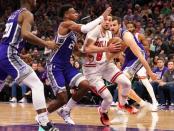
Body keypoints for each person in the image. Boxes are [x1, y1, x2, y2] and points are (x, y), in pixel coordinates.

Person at [46, 4, 113, 125]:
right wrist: (103, 15)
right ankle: (42, 116)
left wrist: (85, 54)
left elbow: (76, 51)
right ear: (66, 14)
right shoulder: (65, 24)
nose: (77, 14)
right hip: (55, 65)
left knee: (85, 85)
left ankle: (65, 111)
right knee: (62, 99)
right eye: (74, 12)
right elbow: (86, 28)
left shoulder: (72, 33)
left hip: (66, 66)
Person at [0, 0, 58, 130]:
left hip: (3, 53)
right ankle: (44, 122)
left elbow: (9, 39)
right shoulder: (28, 14)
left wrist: (20, 55)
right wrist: (46, 43)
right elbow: (25, 34)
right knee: (37, 85)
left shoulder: (14, 14)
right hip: (9, 54)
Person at [110, 17, 157, 118]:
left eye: (114, 25)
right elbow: (119, 52)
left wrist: (150, 72)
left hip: (138, 57)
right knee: (120, 82)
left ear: (119, 25)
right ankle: (123, 105)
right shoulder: (113, 35)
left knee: (125, 81)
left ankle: (145, 103)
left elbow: (141, 54)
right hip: (129, 57)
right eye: (111, 25)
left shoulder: (128, 36)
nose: (112, 27)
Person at [124, 21, 158, 111]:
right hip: (130, 61)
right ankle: (125, 102)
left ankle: (155, 101)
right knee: (124, 81)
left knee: (144, 80)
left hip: (140, 60)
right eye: (128, 27)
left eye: (131, 27)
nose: (130, 29)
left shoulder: (139, 36)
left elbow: (147, 47)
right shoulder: (125, 37)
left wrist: (135, 47)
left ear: (135, 28)